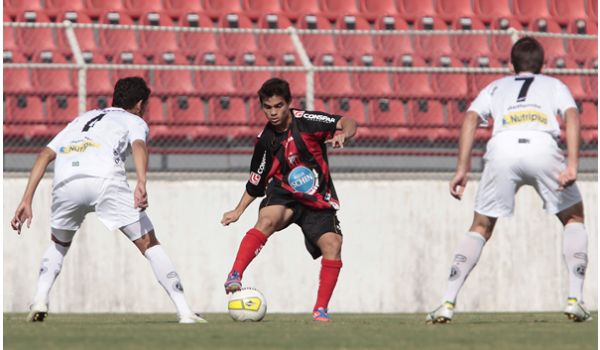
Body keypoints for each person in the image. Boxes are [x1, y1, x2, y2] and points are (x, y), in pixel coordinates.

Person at [10, 77, 206, 324]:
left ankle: (40, 298)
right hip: (104, 180)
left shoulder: (83, 119)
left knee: (59, 243)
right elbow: (138, 146)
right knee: (150, 244)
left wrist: (26, 198)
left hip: (66, 180)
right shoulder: (134, 120)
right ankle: (184, 311)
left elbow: (44, 155)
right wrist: (142, 182)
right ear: (140, 103)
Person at [426, 37, 591, 323]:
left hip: (502, 148)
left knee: (480, 226)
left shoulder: (495, 86)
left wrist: (462, 169)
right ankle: (574, 299)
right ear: (543, 64)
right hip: (542, 146)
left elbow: (470, 119)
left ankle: (447, 302)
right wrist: (573, 164)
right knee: (574, 218)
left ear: (511, 65)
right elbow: (573, 115)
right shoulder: (554, 85)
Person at [221, 78, 357, 322]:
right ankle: (235, 275)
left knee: (333, 244)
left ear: (288, 104)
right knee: (268, 218)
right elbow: (256, 182)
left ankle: (320, 310)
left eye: (278, 106)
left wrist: (343, 134)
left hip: (317, 198)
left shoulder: (309, 121)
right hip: (284, 194)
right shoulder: (265, 141)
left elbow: (347, 121)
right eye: (267, 107)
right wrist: (238, 210)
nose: (273, 112)